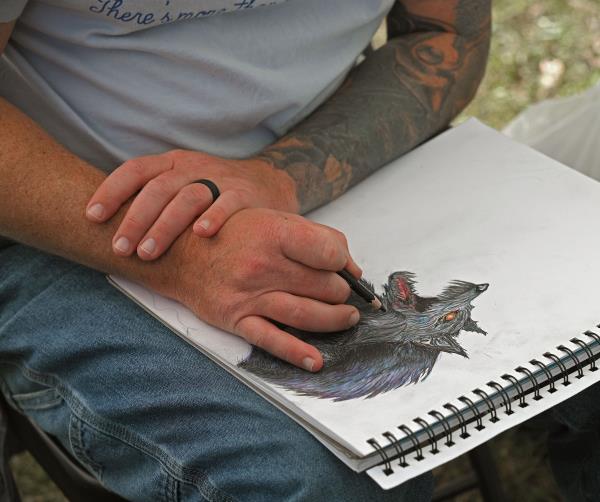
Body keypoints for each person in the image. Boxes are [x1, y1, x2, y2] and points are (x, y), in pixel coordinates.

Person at [0, 1, 491, 500]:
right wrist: (182, 257)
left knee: (572, 359)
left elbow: (446, 34)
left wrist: (278, 176)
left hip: (336, 150)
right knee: (331, 479)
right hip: (62, 224)